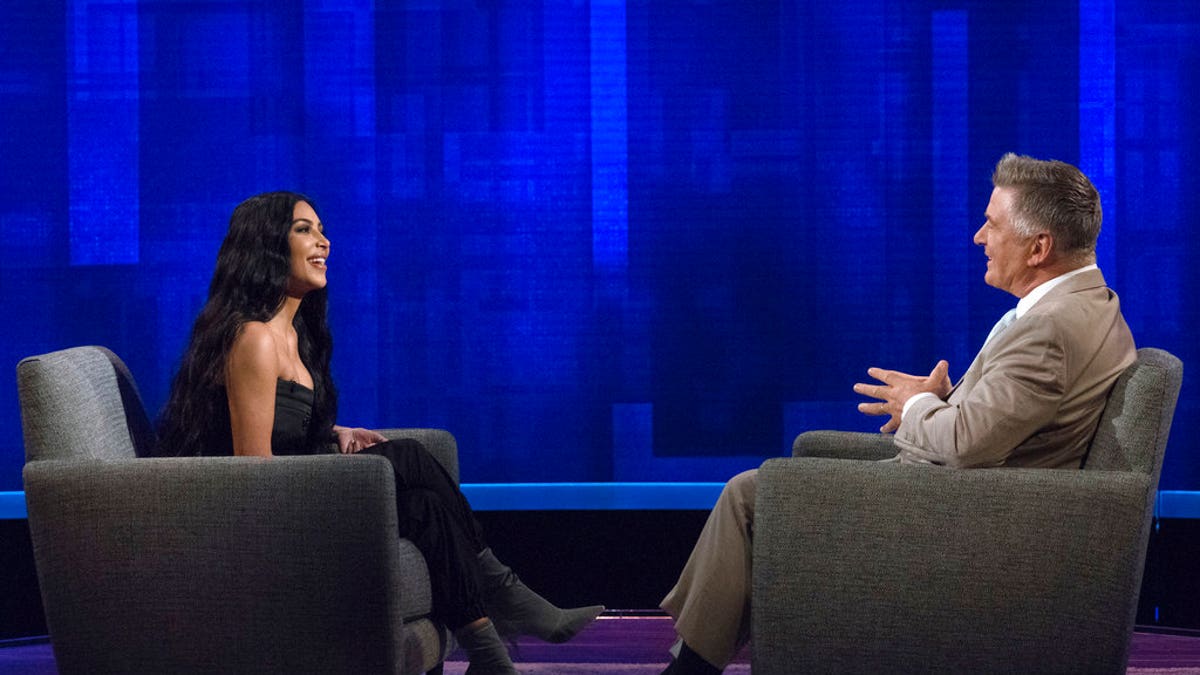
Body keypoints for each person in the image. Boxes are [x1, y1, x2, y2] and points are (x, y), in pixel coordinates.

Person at [657, 153, 1137, 674]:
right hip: (978, 496)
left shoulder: (1050, 328)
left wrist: (919, 406)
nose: (979, 237)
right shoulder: (1088, 304)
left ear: (1039, 247)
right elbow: (1028, 414)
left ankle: (689, 670)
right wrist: (949, 398)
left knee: (752, 494)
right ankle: (694, 661)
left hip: (966, 517)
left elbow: (968, 444)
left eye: (992, 225)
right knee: (758, 491)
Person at [156, 192, 604, 674]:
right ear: (265, 245)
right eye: (304, 229)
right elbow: (251, 470)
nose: (323, 242)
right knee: (407, 456)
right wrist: (339, 478)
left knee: (425, 507)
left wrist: (332, 433)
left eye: (323, 230)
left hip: (290, 497)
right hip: (256, 519)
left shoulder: (296, 336)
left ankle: (489, 657)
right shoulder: (253, 337)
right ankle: (507, 594)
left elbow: (282, 428)